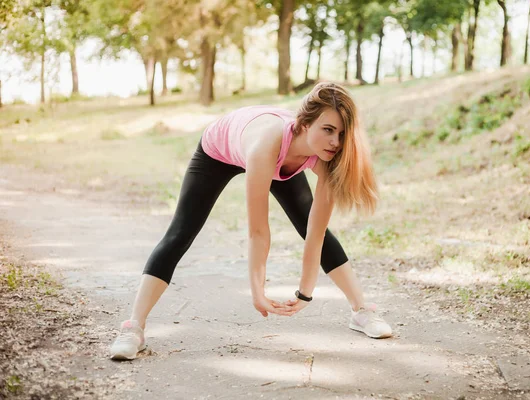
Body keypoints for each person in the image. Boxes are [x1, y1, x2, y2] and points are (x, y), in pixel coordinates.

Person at [109, 82, 392, 360]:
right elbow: (258, 231)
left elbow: (315, 233)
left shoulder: (328, 157)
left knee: (307, 222)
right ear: (305, 124)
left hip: (285, 156)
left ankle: (361, 309)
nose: (335, 142)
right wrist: (258, 292)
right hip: (220, 151)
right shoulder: (265, 145)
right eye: (328, 130)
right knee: (181, 232)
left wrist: (305, 292)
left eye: (342, 133)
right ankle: (133, 327)